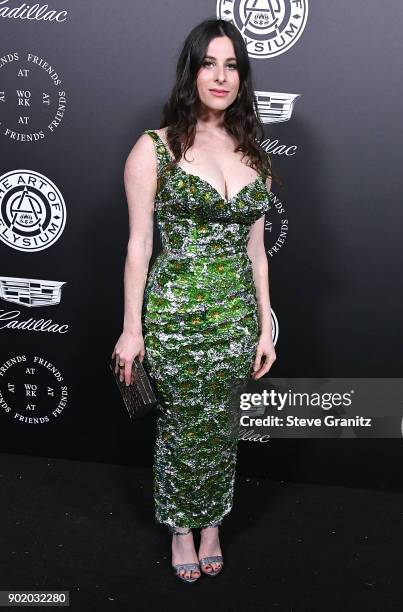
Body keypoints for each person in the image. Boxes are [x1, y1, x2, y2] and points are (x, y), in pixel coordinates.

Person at [111, 18, 276, 583]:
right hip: (175, 318)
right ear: (193, 71)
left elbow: (257, 251)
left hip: (234, 318)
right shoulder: (154, 148)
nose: (221, 76)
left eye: (232, 65)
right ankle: (182, 528)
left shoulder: (256, 156)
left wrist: (264, 326)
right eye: (210, 63)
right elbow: (138, 245)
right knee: (183, 425)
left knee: (223, 425)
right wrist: (132, 330)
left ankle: (213, 525)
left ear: (241, 77)